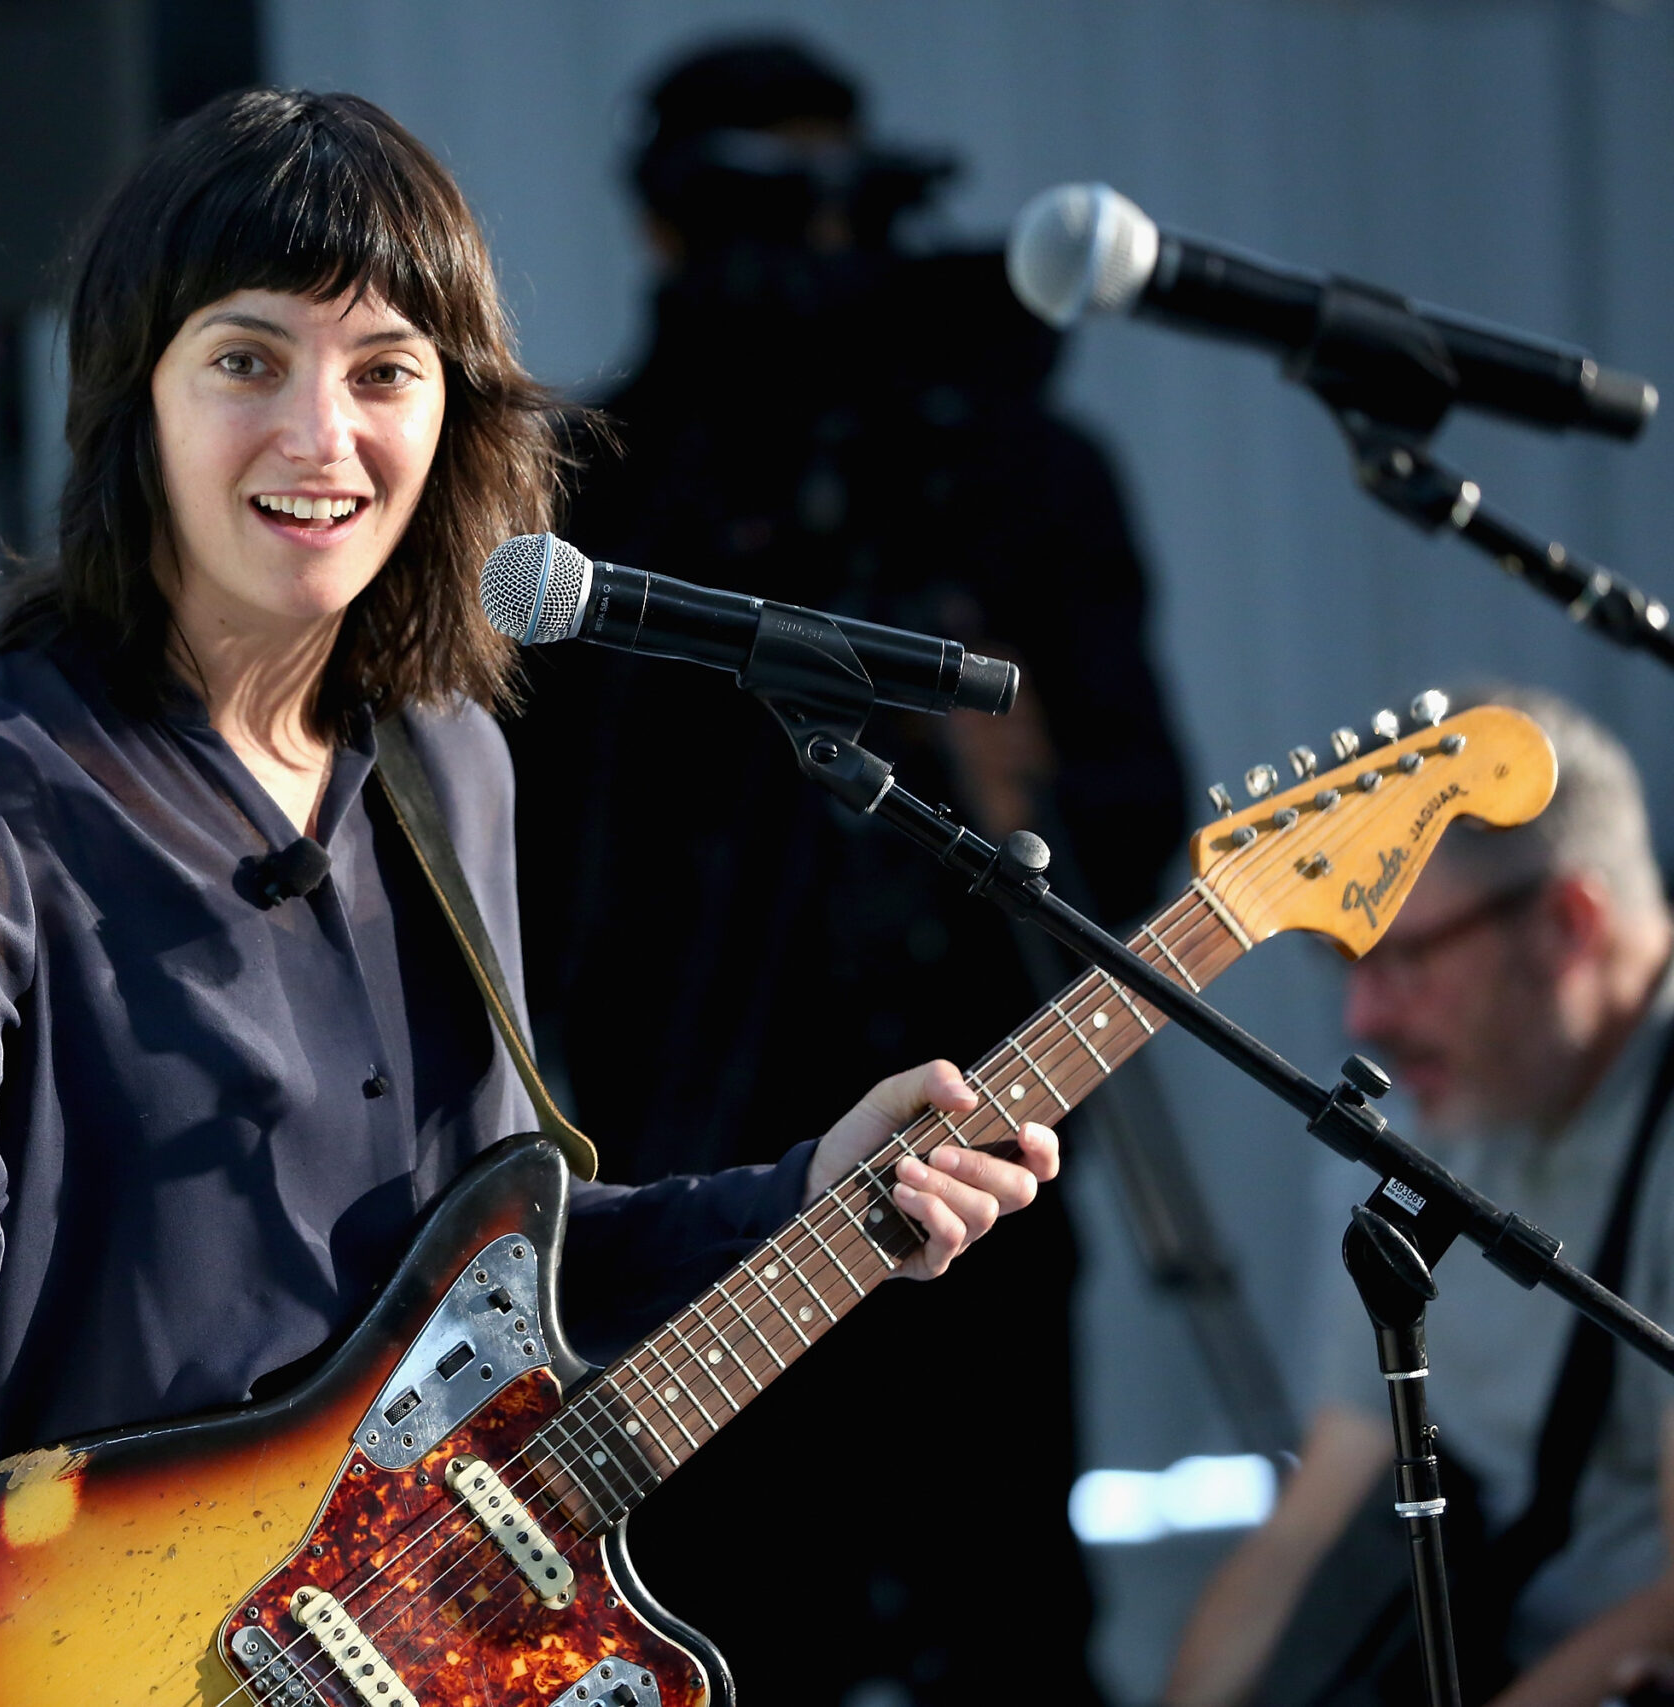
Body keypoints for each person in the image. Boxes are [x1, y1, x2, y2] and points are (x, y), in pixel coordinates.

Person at [0, 89, 1057, 1537]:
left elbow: (500, 1270)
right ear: (132, 400)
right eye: (246, 359)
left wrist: (807, 1189)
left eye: (385, 371)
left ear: (452, 413)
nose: (320, 435)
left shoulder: (448, 752)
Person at [507, 37, 1187, 1704]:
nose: (796, 259)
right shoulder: (594, 501)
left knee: (1010, 1615)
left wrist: (1012, 760)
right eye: (749, 207)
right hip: (696, 1184)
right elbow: (524, 867)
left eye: (820, 207)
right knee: (737, 1631)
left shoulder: (1007, 477)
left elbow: (1134, 807)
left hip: (979, 1144)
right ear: (664, 227)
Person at [1165, 686, 1674, 1707]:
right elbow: (1317, 1512)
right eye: (1345, 964)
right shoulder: (1450, 1103)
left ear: (1569, 923)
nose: (1363, 1015)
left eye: (1403, 958)